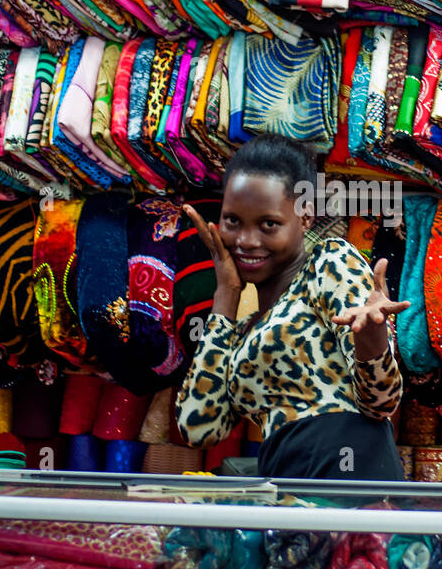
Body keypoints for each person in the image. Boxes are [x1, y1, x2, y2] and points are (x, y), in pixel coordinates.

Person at [175, 135, 409, 480]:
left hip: (348, 483)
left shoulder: (329, 263)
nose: (247, 240)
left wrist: (372, 340)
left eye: (268, 224)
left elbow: (382, 404)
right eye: (233, 221)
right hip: (283, 490)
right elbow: (198, 429)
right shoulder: (242, 330)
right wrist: (226, 293)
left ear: (305, 217)